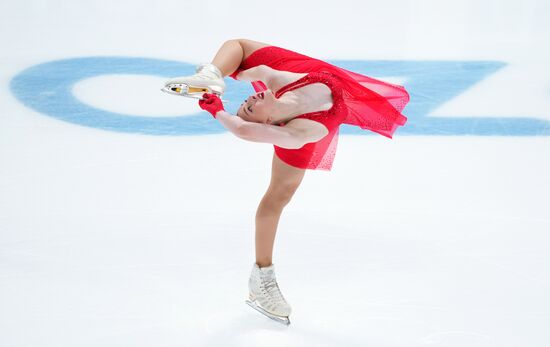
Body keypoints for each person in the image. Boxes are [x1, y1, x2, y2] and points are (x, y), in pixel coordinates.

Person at [163, 39, 410, 325]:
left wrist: (218, 76)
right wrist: (218, 111)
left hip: (308, 75)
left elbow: (247, 64)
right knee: (276, 199)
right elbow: (243, 129)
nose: (251, 99)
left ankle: (208, 74)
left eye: (247, 101)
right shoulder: (304, 131)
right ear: (270, 123)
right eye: (251, 107)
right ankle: (262, 278)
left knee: (239, 47)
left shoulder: (276, 81)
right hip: (316, 113)